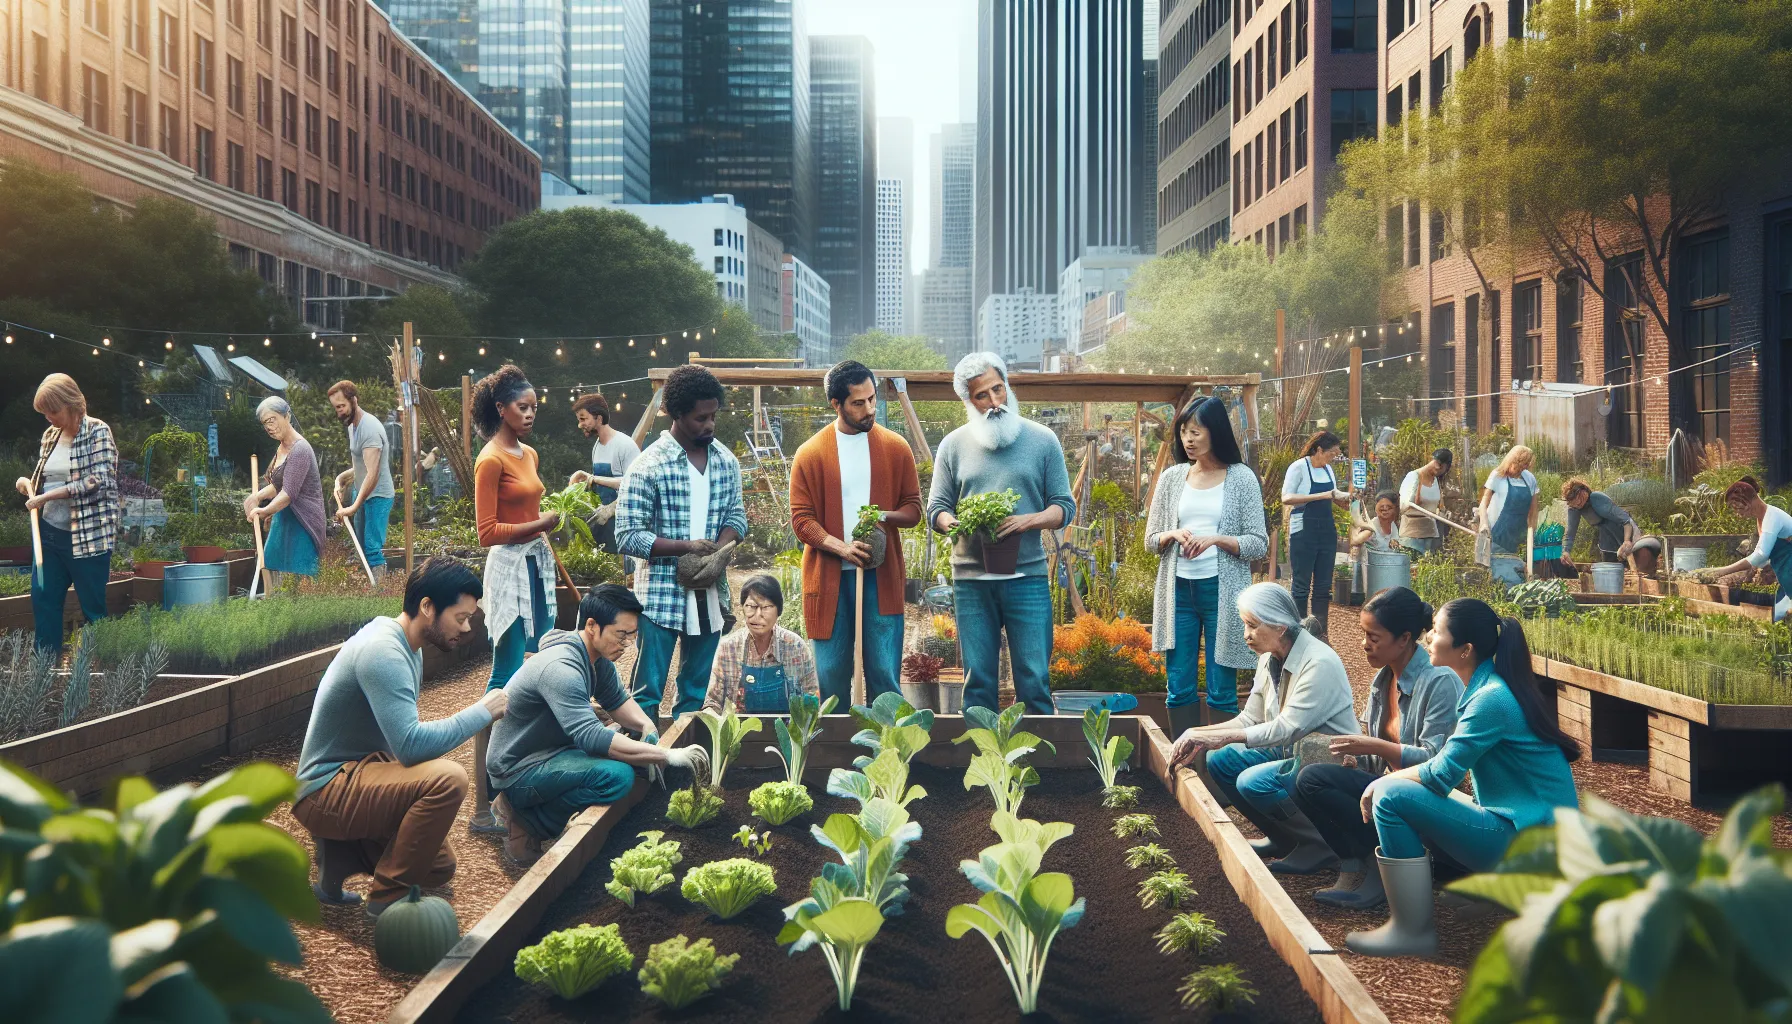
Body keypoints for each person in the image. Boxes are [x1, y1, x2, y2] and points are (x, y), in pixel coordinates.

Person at [1346, 598, 1580, 957]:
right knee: (1400, 790)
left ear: (1464, 649)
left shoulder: (1491, 700)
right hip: (1529, 831)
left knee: (1391, 797)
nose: (1428, 638)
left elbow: (1441, 774)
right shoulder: (1490, 688)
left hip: (1531, 843)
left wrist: (1379, 782)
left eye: (1437, 632)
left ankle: (1412, 932)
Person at [292, 558, 504, 916]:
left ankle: (339, 859)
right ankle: (386, 899)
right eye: (461, 617)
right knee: (449, 779)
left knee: (438, 867)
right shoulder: (384, 651)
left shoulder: (409, 645)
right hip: (324, 788)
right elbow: (409, 746)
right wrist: (482, 711)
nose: (467, 628)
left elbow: (399, 746)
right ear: (427, 607)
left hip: (358, 773)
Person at [487, 584, 707, 867]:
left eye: (632, 635)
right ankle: (525, 820)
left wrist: (647, 727)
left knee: (631, 754)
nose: (627, 643)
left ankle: (536, 811)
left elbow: (617, 701)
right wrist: (667, 755)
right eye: (621, 634)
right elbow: (591, 736)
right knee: (617, 777)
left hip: (553, 752)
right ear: (592, 626)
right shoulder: (561, 668)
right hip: (519, 768)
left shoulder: (596, 659)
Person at [1168, 583, 1360, 875]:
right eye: (1246, 625)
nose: (1246, 635)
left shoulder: (1318, 663)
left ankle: (1319, 844)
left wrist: (1215, 736)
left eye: (1252, 626)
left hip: (1328, 761)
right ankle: (1285, 838)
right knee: (1221, 759)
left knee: (1253, 782)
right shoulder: (1270, 658)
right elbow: (1250, 719)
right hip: (1292, 752)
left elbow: (1286, 729)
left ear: (1281, 626)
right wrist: (1200, 735)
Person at [1292, 587, 1462, 911]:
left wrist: (1375, 746)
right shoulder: (1382, 680)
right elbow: (1376, 759)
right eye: (1363, 634)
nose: (1364, 644)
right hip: (1391, 787)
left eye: (1373, 636)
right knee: (1301, 780)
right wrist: (1359, 761)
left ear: (1404, 639)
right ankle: (1356, 866)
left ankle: (1385, 871)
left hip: (1430, 795)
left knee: (1314, 780)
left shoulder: (1439, 681)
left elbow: (1438, 763)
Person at [926, 352, 1076, 713]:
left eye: (999, 389)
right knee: (978, 682)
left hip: (1028, 578)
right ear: (968, 400)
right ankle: (987, 765)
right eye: (983, 395)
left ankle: (1038, 765)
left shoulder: (1043, 441)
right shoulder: (953, 445)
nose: (995, 402)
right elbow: (936, 509)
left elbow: (1064, 506)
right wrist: (953, 524)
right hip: (971, 581)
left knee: (1034, 678)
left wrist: (1029, 520)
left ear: (1008, 385)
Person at [617, 364, 748, 718]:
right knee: (646, 693)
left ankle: (687, 766)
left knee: (697, 693)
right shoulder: (648, 465)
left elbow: (737, 515)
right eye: (700, 418)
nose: (709, 425)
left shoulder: (725, 461)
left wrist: (719, 550)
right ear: (676, 414)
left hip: (709, 595)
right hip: (660, 598)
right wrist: (685, 547)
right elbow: (627, 534)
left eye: (713, 417)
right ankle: (643, 766)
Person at [790, 361, 923, 705]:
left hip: (882, 578)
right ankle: (833, 749)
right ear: (836, 404)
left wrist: (882, 516)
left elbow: (914, 510)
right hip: (828, 579)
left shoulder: (896, 448)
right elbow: (802, 520)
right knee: (831, 674)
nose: (869, 409)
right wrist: (841, 548)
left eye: (873, 399)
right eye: (858, 403)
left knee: (884, 674)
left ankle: (887, 752)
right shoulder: (810, 454)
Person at [1143, 396, 1268, 732]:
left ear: (1216, 432)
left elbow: (1259, 543)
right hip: (1178, 593)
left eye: (1196, 431)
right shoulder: (1172, 478)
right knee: (1178, 687)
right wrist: (1171, 534)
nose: (1188, 439)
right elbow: (1150, 539)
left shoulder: (1241, 478)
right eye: (1184, 432)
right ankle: (1183, 767)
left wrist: (1216, 539)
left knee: (1221, 691)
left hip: (1222, 593)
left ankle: (1218, 768)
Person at [16, 374, 118, 652]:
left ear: (71, 404)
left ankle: (101, 673)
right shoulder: (50, 435)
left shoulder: (98, 431)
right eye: (44, 412)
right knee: (44, 600)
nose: (48, 417)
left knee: (93, 609)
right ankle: (44, 675)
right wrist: (29, 485)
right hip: (49, 534)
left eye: (53, 410)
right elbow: (46, 478)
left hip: (88, 537)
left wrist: (50, 495)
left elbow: (99, 480)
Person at [703, 574, 821, 713]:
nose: (758, 615)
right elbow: (713, 702)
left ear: (779, 611)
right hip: (739, 733)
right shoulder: (728, 648)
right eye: (751, 606)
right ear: (742, 608)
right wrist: (710, 715)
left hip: (787, 732)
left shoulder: (796, 647)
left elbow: (812, 700)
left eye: (766, 607)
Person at [245, 397, 326, 584]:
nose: (269, 427)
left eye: (272, 419)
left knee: (300, 577)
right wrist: (256, 497)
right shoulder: (281, 448)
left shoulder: (301, 449)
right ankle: (274, 609)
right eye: (265, 423)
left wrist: (265, 511)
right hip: (283, 519)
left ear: (287, 416)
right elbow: (278, 485)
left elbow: (288, 492)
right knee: (271, 565)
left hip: (303, 521)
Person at [1282, 431, 1353, 638]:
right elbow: (1286, 497)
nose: (1333, 458)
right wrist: (1325, 495)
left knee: (1323, 585)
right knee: (1301, 584)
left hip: (1326, 529)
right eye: (1331, 453)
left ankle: (1321, 633)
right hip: (1304, 529)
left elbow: (1331, 498)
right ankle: (1298, 632)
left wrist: (1343, 500)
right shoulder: (1298, 467)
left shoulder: (1328, 470)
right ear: (1319, 449)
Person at [328, 381, 396, 580]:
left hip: (378, 496)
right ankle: (370, 587)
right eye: (336, 408)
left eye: (341, 406)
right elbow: (361, 467)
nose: (339, 412)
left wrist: (353, 507)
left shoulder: (370, 428)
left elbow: (373, 474)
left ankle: (381, 592)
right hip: (363, 492)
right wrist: (342, 479)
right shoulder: (352, 425)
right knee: (360, 544)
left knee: (372, 547)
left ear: (353, 400)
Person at [1697, 477, 1792, 620]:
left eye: (1736, 507)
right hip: (1787, 583)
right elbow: (1764, 558)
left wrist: (1721, 571)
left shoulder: (1772, 518)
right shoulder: (1762, 519)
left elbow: (1760, 555)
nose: (1737, 513)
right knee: (1773, 619)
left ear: (1746, 502)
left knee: (1775, 620)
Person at [568, 392, 640, 560]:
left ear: (598, 418)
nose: (580, 425)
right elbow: (598, 484)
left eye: (583, 419)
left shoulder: (625, 445)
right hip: (602, 523)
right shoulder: (597, 446)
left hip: (623, 525)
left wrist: (594, 480)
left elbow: (635, 485)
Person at [1559, 478, 1662, 576]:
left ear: (1584, 490)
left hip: (1626, 532)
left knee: (1640, 569)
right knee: (1614, 573)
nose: (1579, 502)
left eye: (1581, 497)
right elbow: (1570, 534)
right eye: (1575, 502)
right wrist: (1565, 551)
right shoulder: (1574, 508)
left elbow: (1626, 521)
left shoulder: (1596, 498)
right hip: (1608, 541)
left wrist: (1626, 541)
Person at [1478, 445, 1538, 563]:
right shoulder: (1497, 476)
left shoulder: (1529, 478)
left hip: (1518, 536)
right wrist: (1483, 523)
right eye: (1518, 465)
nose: (1520, 469)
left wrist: (1531, 532)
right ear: (1511, 461)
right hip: (1496, 535)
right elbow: (1484, 502)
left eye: (1524, 466)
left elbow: (1534, 510)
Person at [1397, 449, 1452, 556]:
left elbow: (1437, 506)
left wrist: (1443, 512)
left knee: (1428, 567)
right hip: (1412, 535)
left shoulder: (1435, 480)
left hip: (1431, 533)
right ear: (1439, 464)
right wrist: (1412, 501)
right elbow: (1403, 505)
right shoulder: (1413, 476)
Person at [1350, 491, 1405, 598]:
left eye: (1389, 507)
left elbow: (1393, 546)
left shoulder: (1393, 526)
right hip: (1370, 574)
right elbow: (1354, 541)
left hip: (1387, 571)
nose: (1385, 510)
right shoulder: (1371, 528)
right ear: (1376, 508)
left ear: (1395, 509)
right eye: (1382, 507)